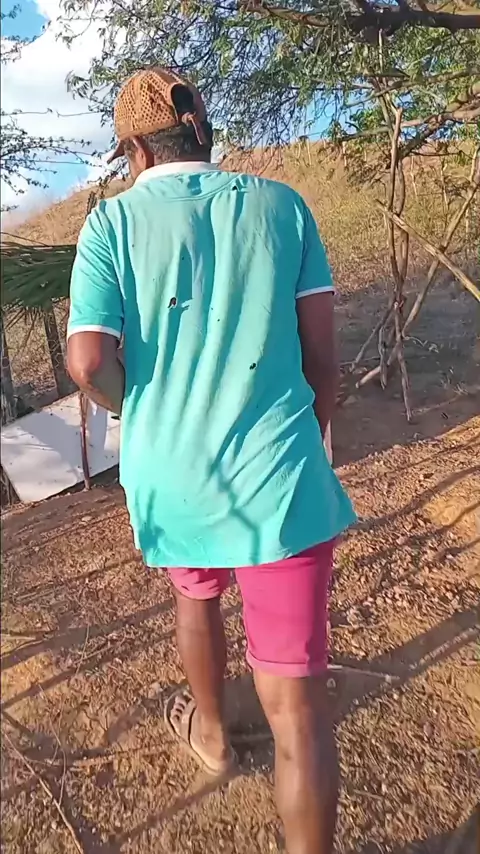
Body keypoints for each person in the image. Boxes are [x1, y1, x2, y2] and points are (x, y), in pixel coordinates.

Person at [67, 67, 356, 854]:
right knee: (298, 714)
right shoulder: (282, 206)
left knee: (194, 598)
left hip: (173, 478)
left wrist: (139, 408)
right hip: (279, 478)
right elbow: (323, 364)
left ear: (134, 149)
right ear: (200, 129)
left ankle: (214, 737)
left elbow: (89, 361)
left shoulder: (110, 225)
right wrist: (299, 442)